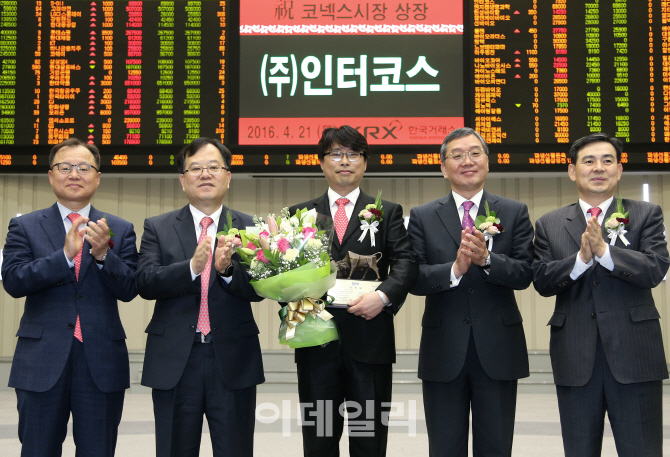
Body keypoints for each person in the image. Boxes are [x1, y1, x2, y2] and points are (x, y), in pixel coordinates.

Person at [532, 133, 669, 457]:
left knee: (642, 450)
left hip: (636, 354)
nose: (598, 168)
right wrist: (580, 260)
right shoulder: (549, 223)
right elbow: (541, 280)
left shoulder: (646, 214)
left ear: (619, 171)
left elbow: (655, 269)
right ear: (572, 171)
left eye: (607, 161)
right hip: (575, 356)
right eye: (589, 161)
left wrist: (606, 252)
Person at [2, 138, 138, 457]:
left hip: (101, 361)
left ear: (98, 177)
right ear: (51, 176)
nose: (74, 173)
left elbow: (130, 288)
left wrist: (104, 255)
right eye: (65, 167)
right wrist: (64, 255)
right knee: (38, 450)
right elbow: (14, 280)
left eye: (84, 167)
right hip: (41, 360)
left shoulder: (119, 228)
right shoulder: (25, 226)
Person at [288, 125, 417, 457]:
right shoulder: (299, 215)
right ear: (321, 162)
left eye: (353, 154)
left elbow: (405, 261)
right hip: (316, 343)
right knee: (319, 440)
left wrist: (383, 296)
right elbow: (284, 272)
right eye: (335, 153)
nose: (344, 161)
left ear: (364, 162)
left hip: (369, 343)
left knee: (369, 441)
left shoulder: (387, 212)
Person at [407, 127, 533, 457]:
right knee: (445, 447)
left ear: (487, 163)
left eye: (475, 153)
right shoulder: (422, 216)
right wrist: (455, 270)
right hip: (443, 347)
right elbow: (413, 278)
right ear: (443, 166)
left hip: (499, 348)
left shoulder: (514, 211)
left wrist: (488, 260)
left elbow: (525, 274)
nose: (467, 161)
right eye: (457, 155)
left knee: (496, 446)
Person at [136, 137, 264, 457]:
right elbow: (145, 282)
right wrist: (191, 268)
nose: (205, 174)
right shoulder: (158, 227)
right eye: (195, 168)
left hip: (233, 359)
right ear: (183, 180)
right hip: (175, 360)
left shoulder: (250, 227)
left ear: (228, 176)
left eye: (214, 167)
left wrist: (226, 271)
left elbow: (260, 290)